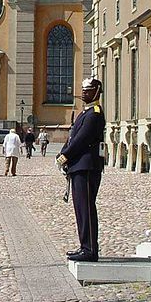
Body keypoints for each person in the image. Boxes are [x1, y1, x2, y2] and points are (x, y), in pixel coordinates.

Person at [58, 78, 106, 263]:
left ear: (97, 91)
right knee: (81, 209)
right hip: (79, 166)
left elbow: (82, 140)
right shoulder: (84, 113)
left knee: (85, 208)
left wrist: (65, 156)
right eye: (84, 90)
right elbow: (73, 137)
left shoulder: (94, 113)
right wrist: (64, 152)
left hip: (87, 166)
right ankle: (85, 245)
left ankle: (90, 249)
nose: (85, 93)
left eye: (89, 90)